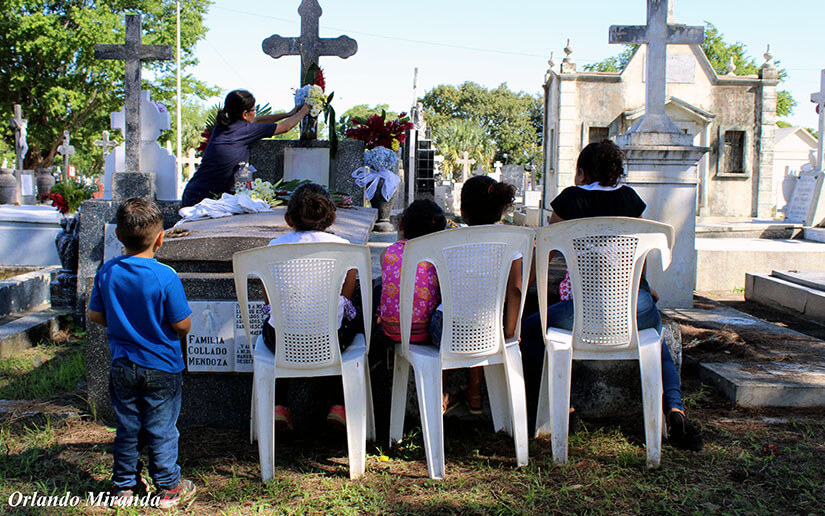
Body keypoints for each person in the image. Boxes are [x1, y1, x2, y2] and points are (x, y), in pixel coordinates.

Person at [519, 139, 703, 451]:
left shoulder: (568, 200)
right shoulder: (631, 200)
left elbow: (545, 255)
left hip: (584, 310)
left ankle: (566, 408)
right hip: (632, 305)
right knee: (656, 341)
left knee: (528, 331)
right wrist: (643, 288)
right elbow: (638, 256)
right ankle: (674, 408)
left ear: (582, 172)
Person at [88, 198, 196, 509]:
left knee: (128, 426)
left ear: (118, 236)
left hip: (123, 364)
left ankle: (125, 486)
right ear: (161, 238)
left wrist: (124, 322)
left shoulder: (108, 271)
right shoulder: (165, 276)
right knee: (161, 428)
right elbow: (182, 324)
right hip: (162, 365)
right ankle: (167, 487)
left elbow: (96, 315)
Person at [261, 183, 363, 432]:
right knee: (341, 327)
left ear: (287, 219)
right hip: (332, 340)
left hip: (281, 340)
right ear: (333, 218)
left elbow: (268, 301)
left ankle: (279, 406)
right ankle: (338, 405)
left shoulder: (274, 248)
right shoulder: (345, 248)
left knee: (282, 326)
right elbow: (346, 299)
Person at [428, 176, 524, 415]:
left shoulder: (447, 241)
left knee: (453, 320)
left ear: (463, 211)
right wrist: (510, 334)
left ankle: (441, 394)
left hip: (446, 328)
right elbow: (516, 289)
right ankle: (475, 395)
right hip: (491, 329)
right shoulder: (512, 242)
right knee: (479, 326)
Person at [376, 200, 449, 409]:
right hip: (427, 331)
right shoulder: (438, 255)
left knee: (377, 290)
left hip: (393, 330)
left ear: (401, 225)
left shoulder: (387, 253)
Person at [181, 89, 310, 207]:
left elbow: (258, 121)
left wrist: (289, 113)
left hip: (195, 192)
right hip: (202, 199)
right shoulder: (244, 130)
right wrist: (305, 110)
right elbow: (285, 127)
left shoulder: (223, 125)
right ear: (244, 114)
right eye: (254, 110)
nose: (255, 114)